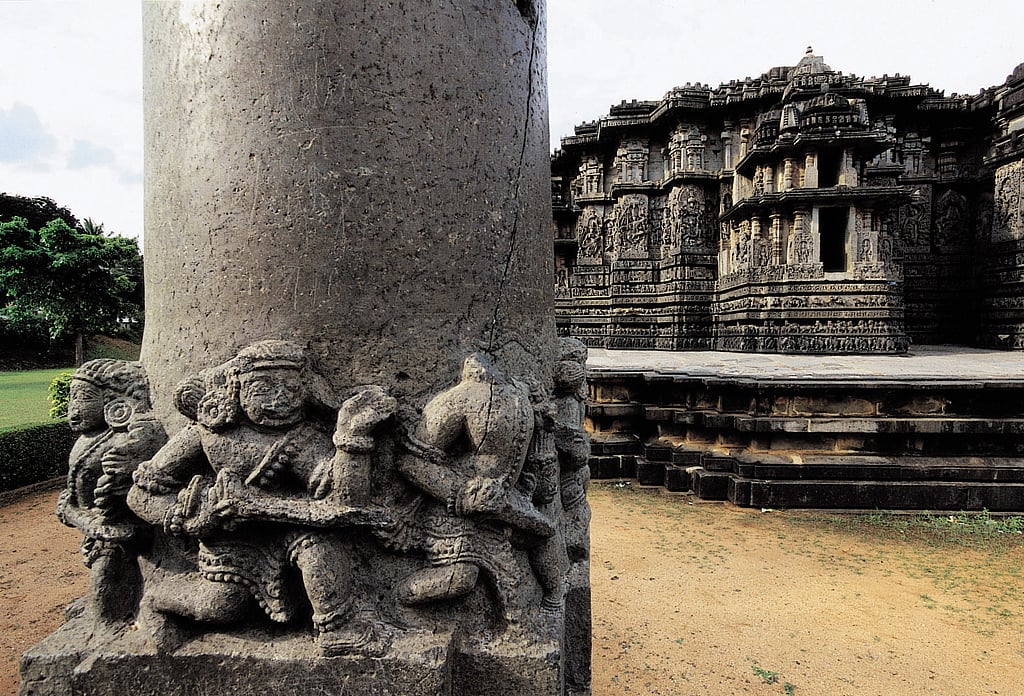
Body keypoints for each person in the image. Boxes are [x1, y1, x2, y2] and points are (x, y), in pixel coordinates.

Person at [128, 340, 393, 656]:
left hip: (289, 530)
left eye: (292, 389)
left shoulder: (302, 438)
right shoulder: (207, 434)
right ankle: (158, 600)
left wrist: (352, 436)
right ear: (235, 390)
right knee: (222, 606)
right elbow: (140, 493)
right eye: (263, 389)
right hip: (232, 542)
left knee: (319, 548)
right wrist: (187, 516)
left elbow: (344, 498)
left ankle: (337, 627)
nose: (281, 399)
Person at [56, 359, 167, 625]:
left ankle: (108, 623)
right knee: (103, 583)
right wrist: (81, 517)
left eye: (83, 398)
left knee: (104, 584)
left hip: (121, 531)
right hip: (98, 528)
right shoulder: (88, 441)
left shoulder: (119, 444)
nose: (73, 409)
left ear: (112, 404)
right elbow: (72, 499)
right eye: (72, 399)